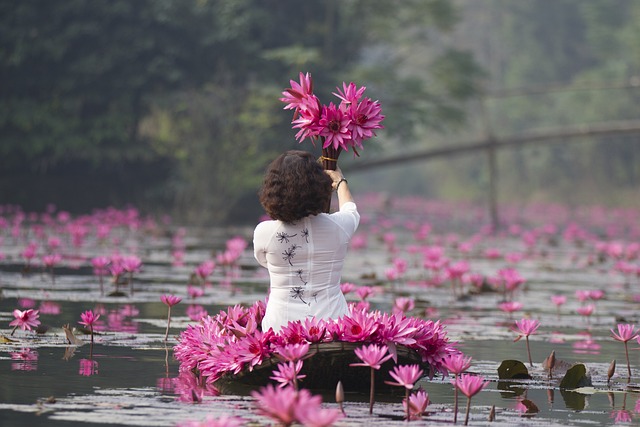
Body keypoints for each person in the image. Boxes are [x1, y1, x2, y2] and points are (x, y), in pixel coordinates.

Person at [253, 150, 359, 332]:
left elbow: (264, 262)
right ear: (321, 187)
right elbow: (351, 210)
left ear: (274, 190)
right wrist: (340, 181)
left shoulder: (265, 232)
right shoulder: (339, 226)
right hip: (333, 327)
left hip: (280, 328)